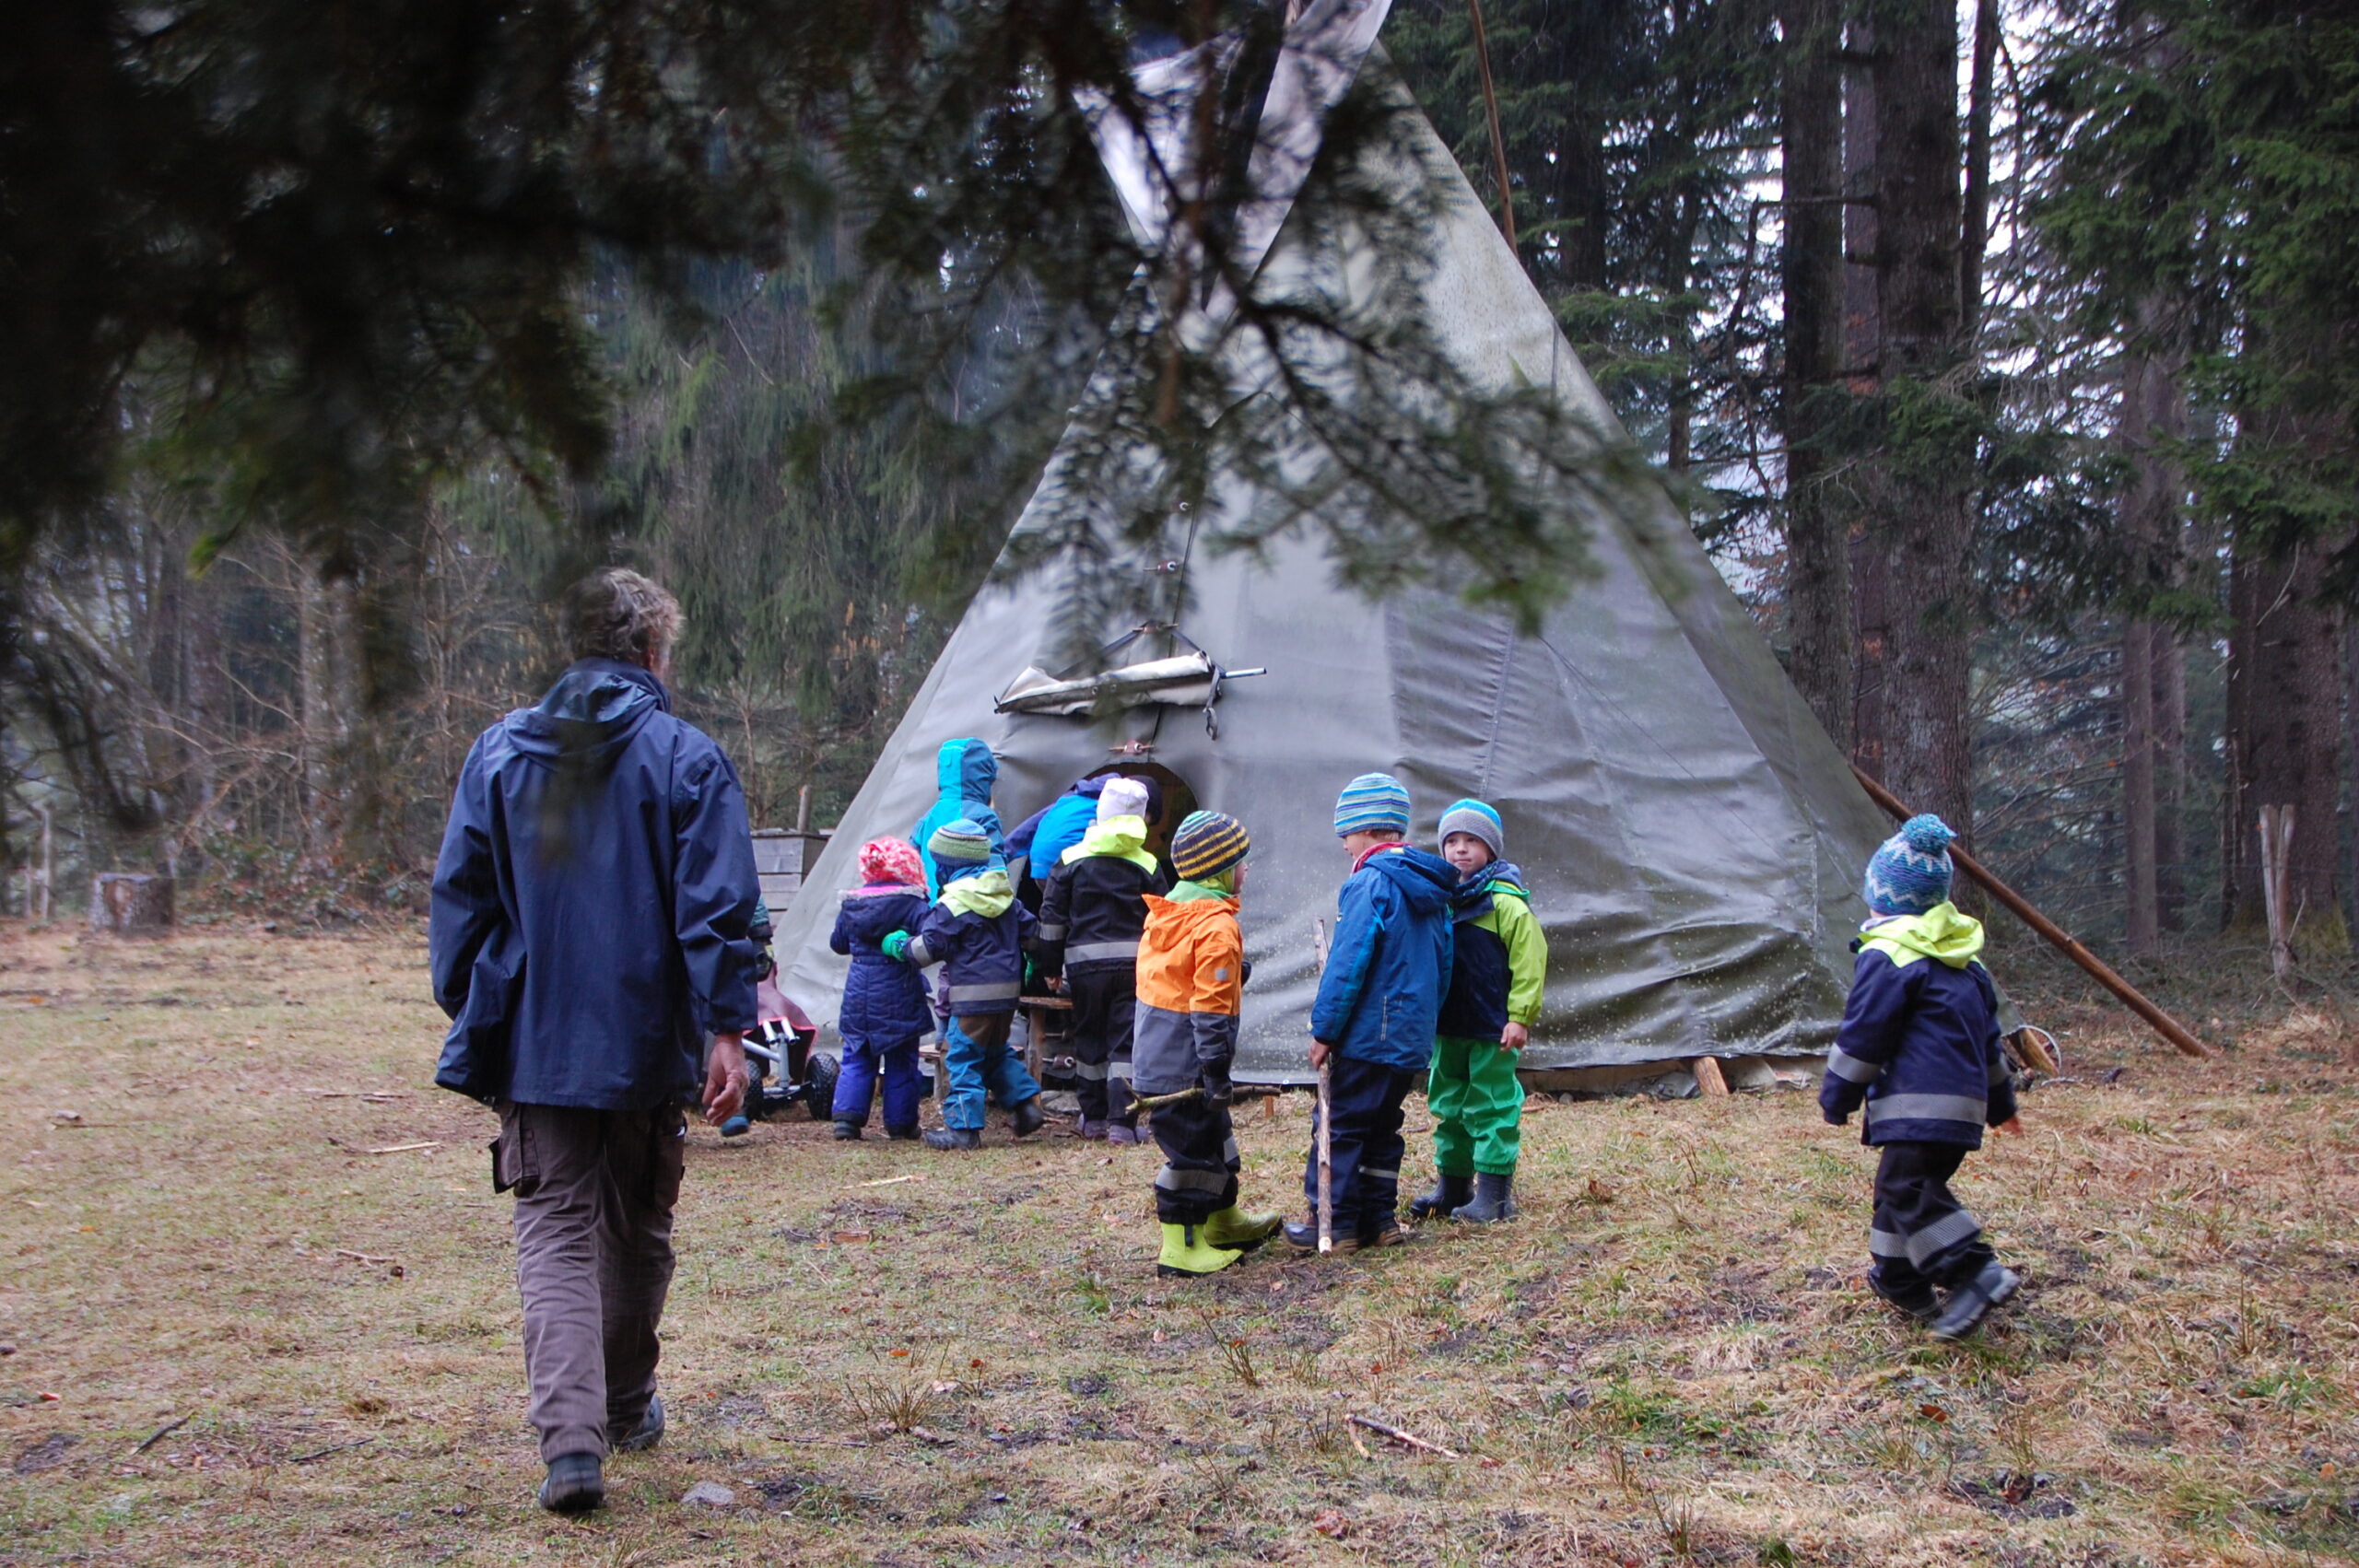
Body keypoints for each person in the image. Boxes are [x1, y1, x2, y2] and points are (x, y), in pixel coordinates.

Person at [428, 568, 766, 1515]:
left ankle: (573, 1445)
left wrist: (478, 1007)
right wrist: (727, 1029)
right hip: (649, 1040)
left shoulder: (497, 753)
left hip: (537, 1042)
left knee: (555, 1231)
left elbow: (460, 904)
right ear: (653, 651)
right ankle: (619, 1410)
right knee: (635, 1225)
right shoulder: (686, 755)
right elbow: (721, 912)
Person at [1819, 813, 2024, 1341]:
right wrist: (2002, 1106)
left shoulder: (1888, 954)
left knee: (1904, 1186)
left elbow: (1865, 1034)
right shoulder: (1964, 962)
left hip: (1917, 1104)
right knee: (1901, 1190)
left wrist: (1836, 1094)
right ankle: (1898, 1277)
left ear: (1881, 898)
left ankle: (1973, 1271)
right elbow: (1989, 1043)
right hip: (1962, 1109)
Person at [1286, 773, 1457, 1253]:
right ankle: (1380, 1219)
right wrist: (1423, 1020)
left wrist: (1324, 1029)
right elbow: (1444, 966)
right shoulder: (1431, 888)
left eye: (1347, 831)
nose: (1343, 843)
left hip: (1366, 1036)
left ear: (1367, 830)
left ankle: (1335, 1224)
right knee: (1383, 1126)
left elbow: (1348, 963)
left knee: (1338, 1125)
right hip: (1409, 1038)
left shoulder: (1369, 884)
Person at [1130, 811, 1282, 1275]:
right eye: (1240, 861)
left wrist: (1235, 970)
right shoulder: (1215, 924)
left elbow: (1182, 974)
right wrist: (1214, 1071)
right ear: (1219, 869)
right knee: (1192, 1154)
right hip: (1187, 1066)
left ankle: (1223, 1220)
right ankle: (1182, 1246)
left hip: (1159, 1058)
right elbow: (1209, 1007)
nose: (1247, 868)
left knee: (1218, 1142)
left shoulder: (1170, 913)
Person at [1410, 799, 1546, 1225]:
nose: (1460, 849)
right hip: (1449, 1026)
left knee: (1490, 1104)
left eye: (1472, 841)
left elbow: (1530, 960)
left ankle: (1495, 1195)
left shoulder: (1505, 903)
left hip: (1492, 1027)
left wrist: (1520, 1016)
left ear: (1491, 849)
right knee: (1448, 1103)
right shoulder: (1442, 900)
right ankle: (1453, 1187)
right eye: (1452, 841)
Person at [888, 820, 1048, 1149]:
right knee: (995, 1053)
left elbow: (927, 950)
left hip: (970, 998)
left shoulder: (954, 904)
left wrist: (900, 946)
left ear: (948, 865)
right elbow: (1033, 936)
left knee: (960, 1057)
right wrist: (1033, 962)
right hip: (1006, 997)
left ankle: (963, 1128)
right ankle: (1024, 1106)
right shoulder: (1005, 896)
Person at [1032, 777, 1166, 1141]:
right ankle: (1123, 1124)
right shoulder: (1148, 864)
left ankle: (1092, 1119)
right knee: (1125, 1043)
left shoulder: (1071, 860)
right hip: (1133, 969)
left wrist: (1049, 968)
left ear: (1100, 812)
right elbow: (1165, 918)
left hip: (1084, 968)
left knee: (1089, 1040)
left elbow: (1052, 920)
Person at [826, 837, 933, 1141]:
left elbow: (838, 944)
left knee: (857, 1055)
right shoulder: (913, 903)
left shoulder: (852, 903)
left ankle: (846, 1120)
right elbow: (928, 939)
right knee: (902, 1060)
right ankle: (901, 1124)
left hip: (859, 992)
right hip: (899, 990)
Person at [910, 738, 1004, 895]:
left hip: (931, 910)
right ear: (983, 778)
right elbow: (996, 871)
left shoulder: (927, 817)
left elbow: (910, 865)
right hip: (968, 908)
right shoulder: (983, 816)